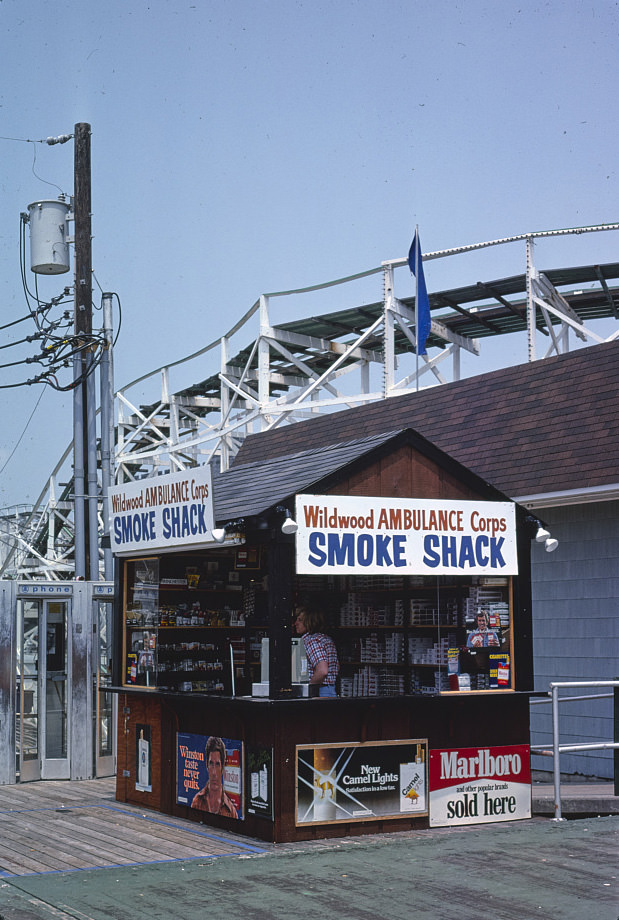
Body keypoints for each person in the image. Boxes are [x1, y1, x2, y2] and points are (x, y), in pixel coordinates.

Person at [294, 605, 339, 697]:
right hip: (329, 689)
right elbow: (336, 666)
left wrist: (308, 690)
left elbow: (322, 671)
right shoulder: (325, 639)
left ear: (309, 622)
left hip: (319, 691)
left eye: (300, 620)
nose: (295, 623)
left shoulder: (311, 641)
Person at [191, 735, 238, 817]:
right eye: (211, 764)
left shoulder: (231, 810)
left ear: (223, 768)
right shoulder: (197, 801)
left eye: (217, 764)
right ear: (207, 766)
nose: (213, 772)